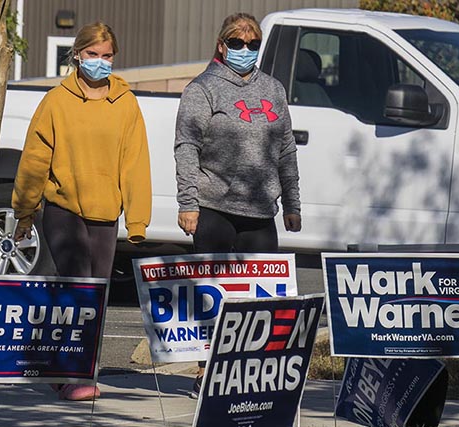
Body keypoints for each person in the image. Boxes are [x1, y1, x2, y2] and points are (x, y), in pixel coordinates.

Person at [12, 22, 151, 401]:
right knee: (77, 286)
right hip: (63, 209)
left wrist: (137, 219)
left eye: (107, 56)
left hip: (106, 214)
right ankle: (73, 374)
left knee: (96, 295)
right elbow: (36, 157)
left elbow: (135, 162)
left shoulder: (126, 103)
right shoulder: (56, 101)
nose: (100, 62)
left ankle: (72, 368)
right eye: (93, 55)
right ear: (77, 54)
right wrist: (24, 211)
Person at [173, 12, 302, 396]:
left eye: (253, 44)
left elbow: (286, 149)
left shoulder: (274, 89)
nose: (246, 50)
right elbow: (186, 147)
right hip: (213, 207)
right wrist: (188, 202)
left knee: (259, 299)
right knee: (211, 295)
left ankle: (252, 372)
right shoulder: (203, 89)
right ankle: (205, 371)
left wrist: (292, 202)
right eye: (238, 43)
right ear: (222, 44)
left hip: (261, 210)